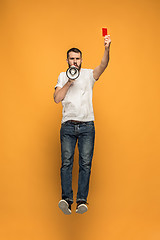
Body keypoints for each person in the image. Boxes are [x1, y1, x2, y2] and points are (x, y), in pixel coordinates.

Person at [54, 34, 111, 215]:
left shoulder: (88, 75)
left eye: (77, 59)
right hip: (68, 126)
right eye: (72, 59)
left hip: (87, 126)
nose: (75, 62)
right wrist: (69, 83)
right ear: (67, 60)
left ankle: (81, 201)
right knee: (67, 163)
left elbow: (103, 66)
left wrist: (107, 49)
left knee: (85, 164)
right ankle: (66, 199)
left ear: (81, 60)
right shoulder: (63, 76)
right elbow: (57, 98)